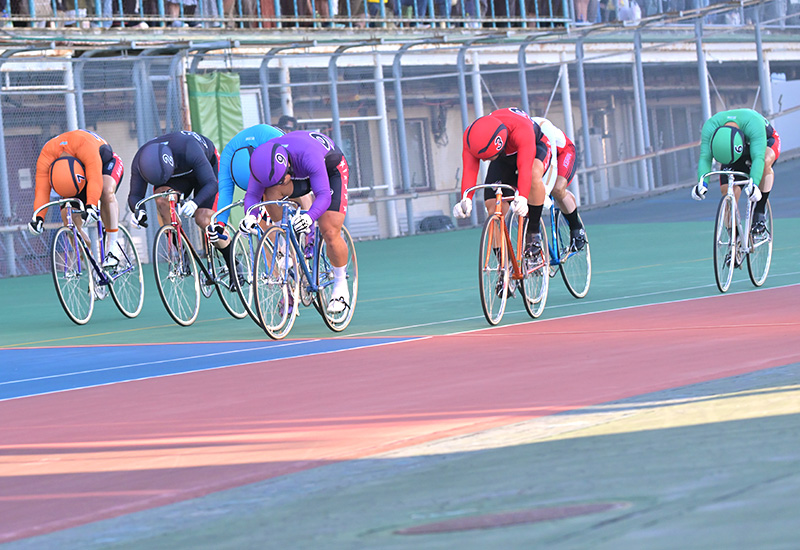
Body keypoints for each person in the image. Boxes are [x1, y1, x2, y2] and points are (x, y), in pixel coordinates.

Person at [239, 131, 351, 314]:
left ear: (288, 164)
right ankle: (285, 245)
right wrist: (251, 216)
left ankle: (340, 284)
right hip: (297, 171)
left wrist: (309, 216)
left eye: (283, 177)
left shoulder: (308, 155)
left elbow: (323, 196)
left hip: (330, 170)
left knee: (329, 229)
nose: (282, 182)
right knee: (270, 192)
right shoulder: (260, 162)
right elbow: (252, 195)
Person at [453, 107, 551, 262]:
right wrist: (466, 198)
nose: (483, 161)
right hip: (502, 158)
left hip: (535, 147)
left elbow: (524, 168)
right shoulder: (471, 136)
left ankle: (533, 232)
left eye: (486, 157)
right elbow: (470, 170)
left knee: (532, 176)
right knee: (493, 209)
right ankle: (504, 268)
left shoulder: (521, 130)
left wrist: (523, 198)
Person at [126, 130, 230, 266]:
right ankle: (182, 251)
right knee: (162, 200)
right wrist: (139, 211)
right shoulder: (140, 160)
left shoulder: (188, 148)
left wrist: (195, 203)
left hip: (206, 166)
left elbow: (211, 184)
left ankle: (233, 264)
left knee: (203, 219)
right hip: (177, 176)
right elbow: (135, 195)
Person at [28, 129, 125, 268]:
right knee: (67, 218)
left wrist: (91, 205)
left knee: (105, 191)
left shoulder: (84, 146)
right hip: (75, 177)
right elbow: (42, 190)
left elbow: (94, 180)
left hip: (105, 164)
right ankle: (92, 267)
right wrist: (38, 217)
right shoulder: (47, 154)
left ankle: (113, 245)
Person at [692, 108, 780, 237]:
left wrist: (754, 183)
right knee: (727, 193)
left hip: (764, 142)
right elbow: (705, 157)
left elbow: (758, 158)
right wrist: (702, 183)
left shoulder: (753, 123)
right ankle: (735, 241)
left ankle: (759, 212)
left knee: (765, 162)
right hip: (732, 150)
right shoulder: (710, 126)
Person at [207, 123, 284, 248]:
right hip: (264, 162)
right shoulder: (229, 155)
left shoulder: (275, 140)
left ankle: (305, 237)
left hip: (267, 165)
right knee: (264, 220)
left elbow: (225, 191)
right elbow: (225, 191)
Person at [531, 116, 587, 250]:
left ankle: (576, 228)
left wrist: (543, 191)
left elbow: (552, 167)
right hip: (539, 157)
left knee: (557, 189)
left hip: (561, 153)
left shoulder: (544, 127)